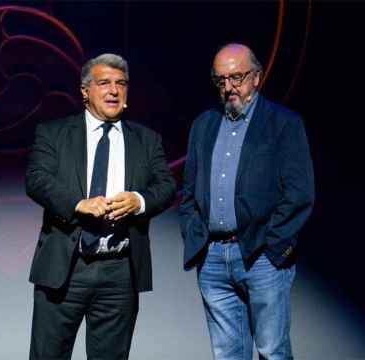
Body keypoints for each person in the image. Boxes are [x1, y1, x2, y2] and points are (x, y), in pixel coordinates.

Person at [26, 53, 176, 360]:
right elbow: (37, 179)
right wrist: (77, 204)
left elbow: (167, 186)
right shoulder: (53, 133)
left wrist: (140, 201)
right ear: (84, 91)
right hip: (66, 268)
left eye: (121, 84)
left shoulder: (146, 140)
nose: (114, 90)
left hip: (120, 272)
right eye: (104, 83)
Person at [179, 43, 315, 359]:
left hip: (261, 257)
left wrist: (273, 246)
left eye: (237, 77)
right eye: (220, 80)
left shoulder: (283, 123)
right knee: (227, 354)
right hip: (212, 258)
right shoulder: (204, 125)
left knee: (272, 351)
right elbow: (189, 193)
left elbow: (300, 194)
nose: (229, 88)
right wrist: (195, 236)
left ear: (257, 77)